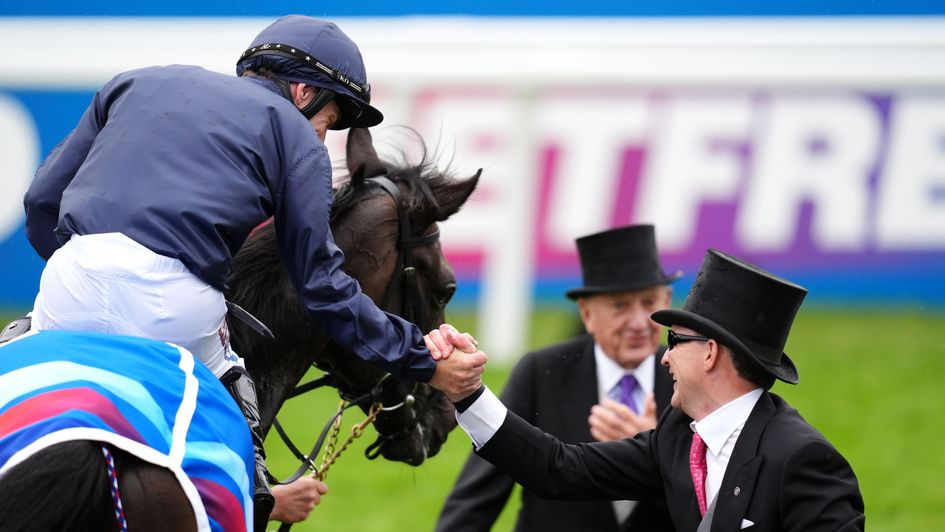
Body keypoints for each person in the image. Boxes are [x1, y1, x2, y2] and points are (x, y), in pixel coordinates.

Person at [21, 14, 484, 530]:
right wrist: (420, 358)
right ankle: (260, 497)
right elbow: (323, 289)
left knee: (18, 353)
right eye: (329, 121)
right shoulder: (294, 134)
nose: (323, 135)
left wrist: (84, 270)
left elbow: (42, 201)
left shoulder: (134, 80)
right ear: (304, 91)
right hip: (173, 307)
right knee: (239, 385)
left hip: (70, 281)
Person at [446, 249, 866, 531]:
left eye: (674, 342)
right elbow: (558, 467)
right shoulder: (677, 437)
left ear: (710, 354)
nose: (663, 358)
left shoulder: (804, 460)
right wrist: (466, 392)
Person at [436, 224, 679, 531]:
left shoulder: (688, 377)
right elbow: (479, 494)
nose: (638, 322)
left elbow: (714, 503)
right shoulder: (541, 372)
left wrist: (660, 453)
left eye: (648, 303)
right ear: (587, 313)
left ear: (667, 300)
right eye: (619, 305)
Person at [0, 329, 256, 531]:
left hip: (73, 292)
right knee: (225, 366)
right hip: (178, 309)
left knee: (25, 333)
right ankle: (259, 487)